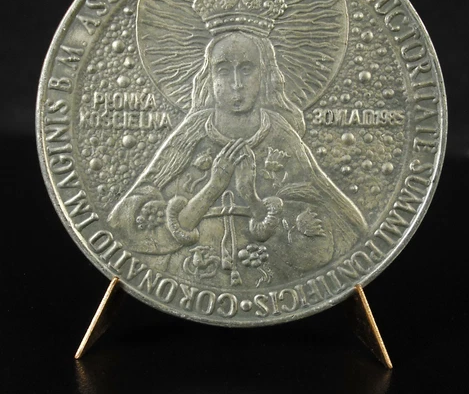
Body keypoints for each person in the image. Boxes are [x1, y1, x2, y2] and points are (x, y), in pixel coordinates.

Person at [108, 30, 367, 288]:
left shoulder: (282, 137)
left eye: (246, 69)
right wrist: (213, 188)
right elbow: (130, 224)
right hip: (188, 279)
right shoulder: (189, 137)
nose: (236, 83)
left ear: (264, 76)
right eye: (223, 70)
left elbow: (327, 225)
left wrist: (251, 196)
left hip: (268, 283)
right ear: (209, 78)